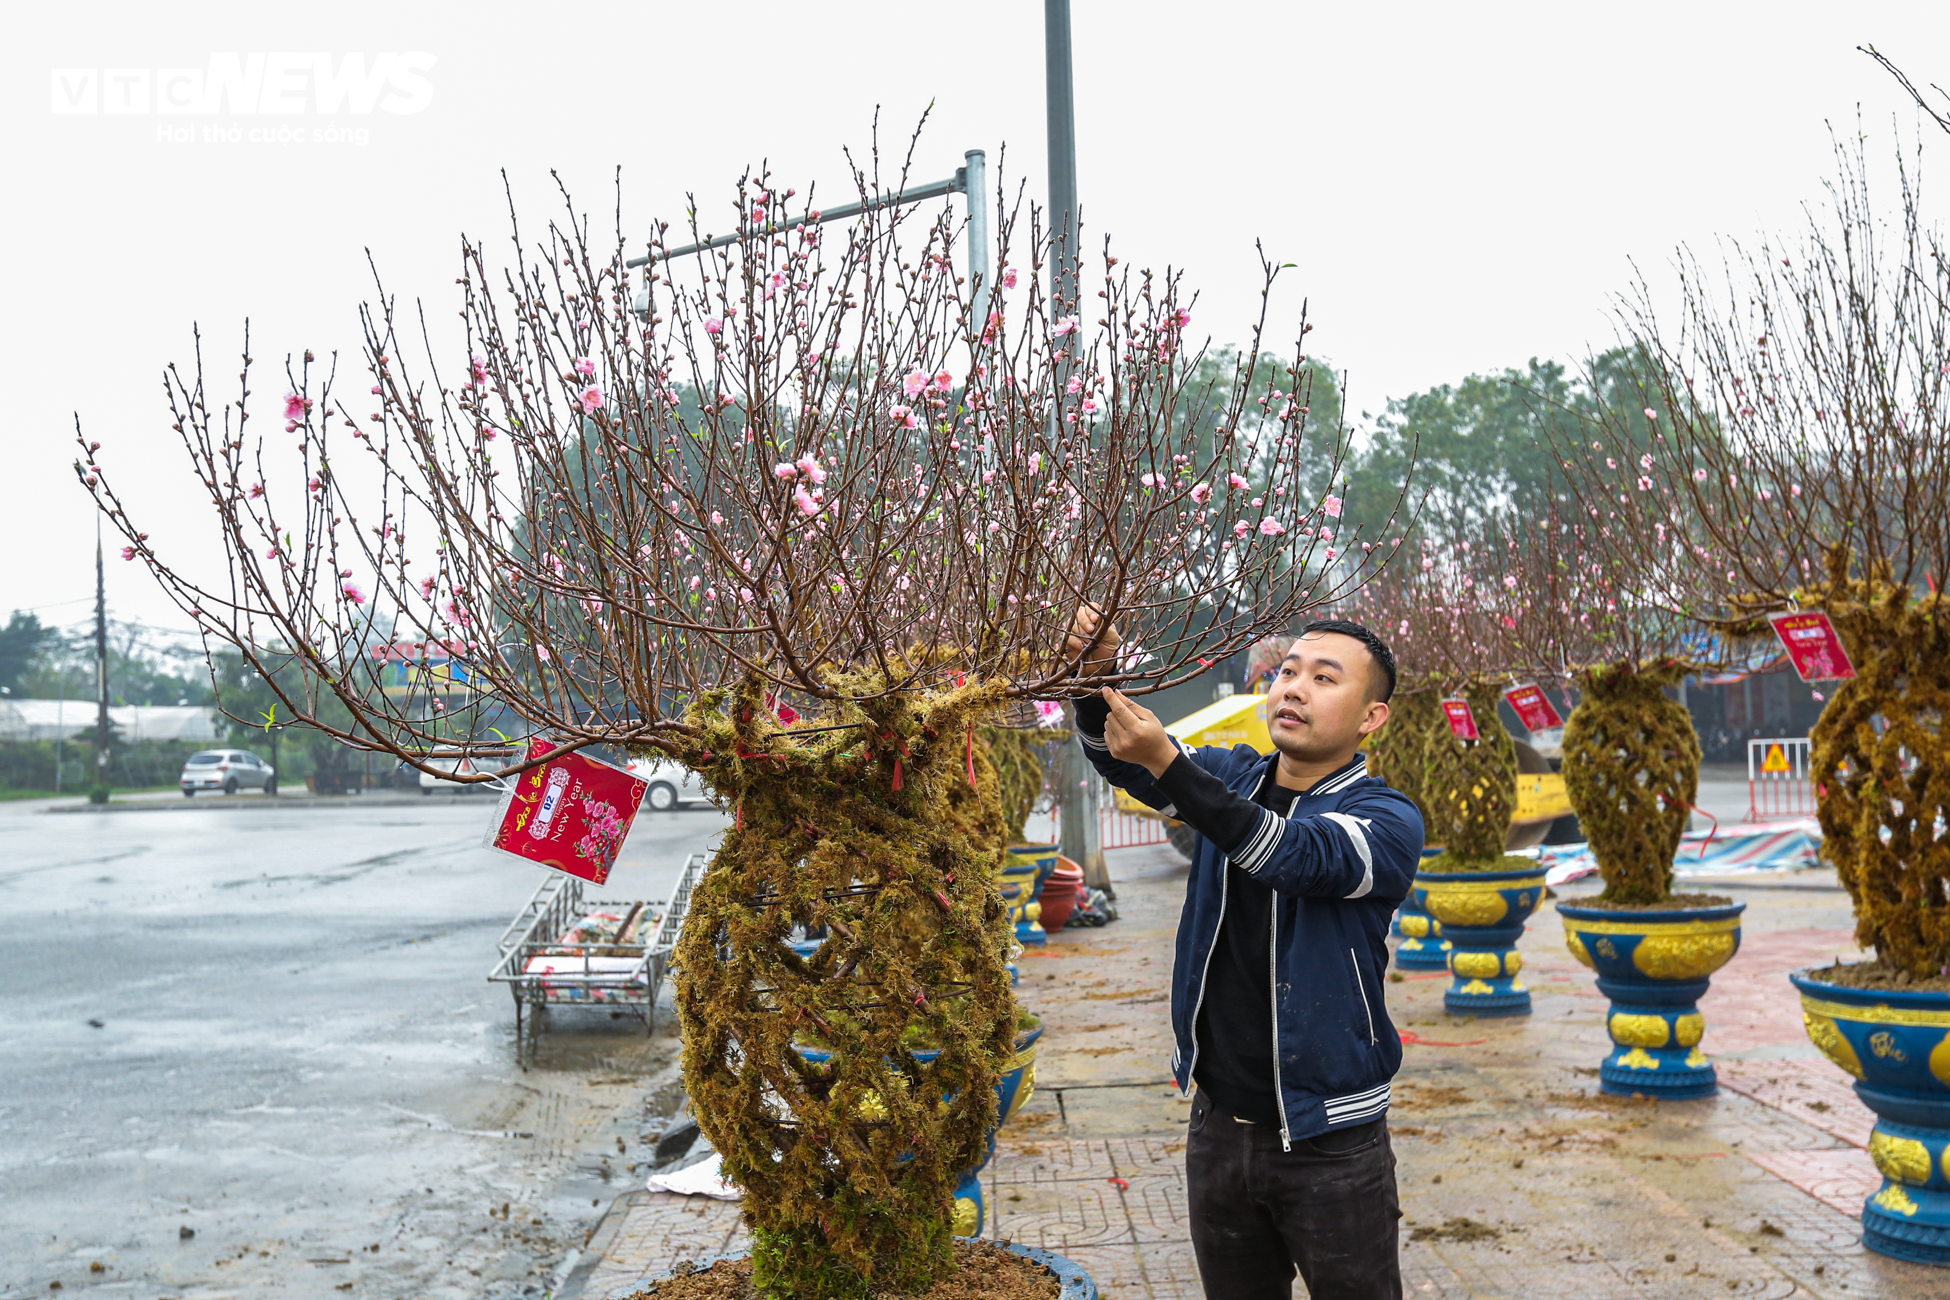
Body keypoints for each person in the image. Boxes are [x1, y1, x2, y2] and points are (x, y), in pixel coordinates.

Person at [1065, 611, 1424, 1300]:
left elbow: (1288, 855)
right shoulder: (1231, 775)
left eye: (1324, 678)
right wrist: (1092, 679)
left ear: (1371, 716)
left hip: (1331, 1139)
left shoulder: (1388, 820)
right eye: (1287, 670)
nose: (1294, 687)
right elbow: (1123, 759)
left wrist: (1168, 761)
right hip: (1219, 1126)